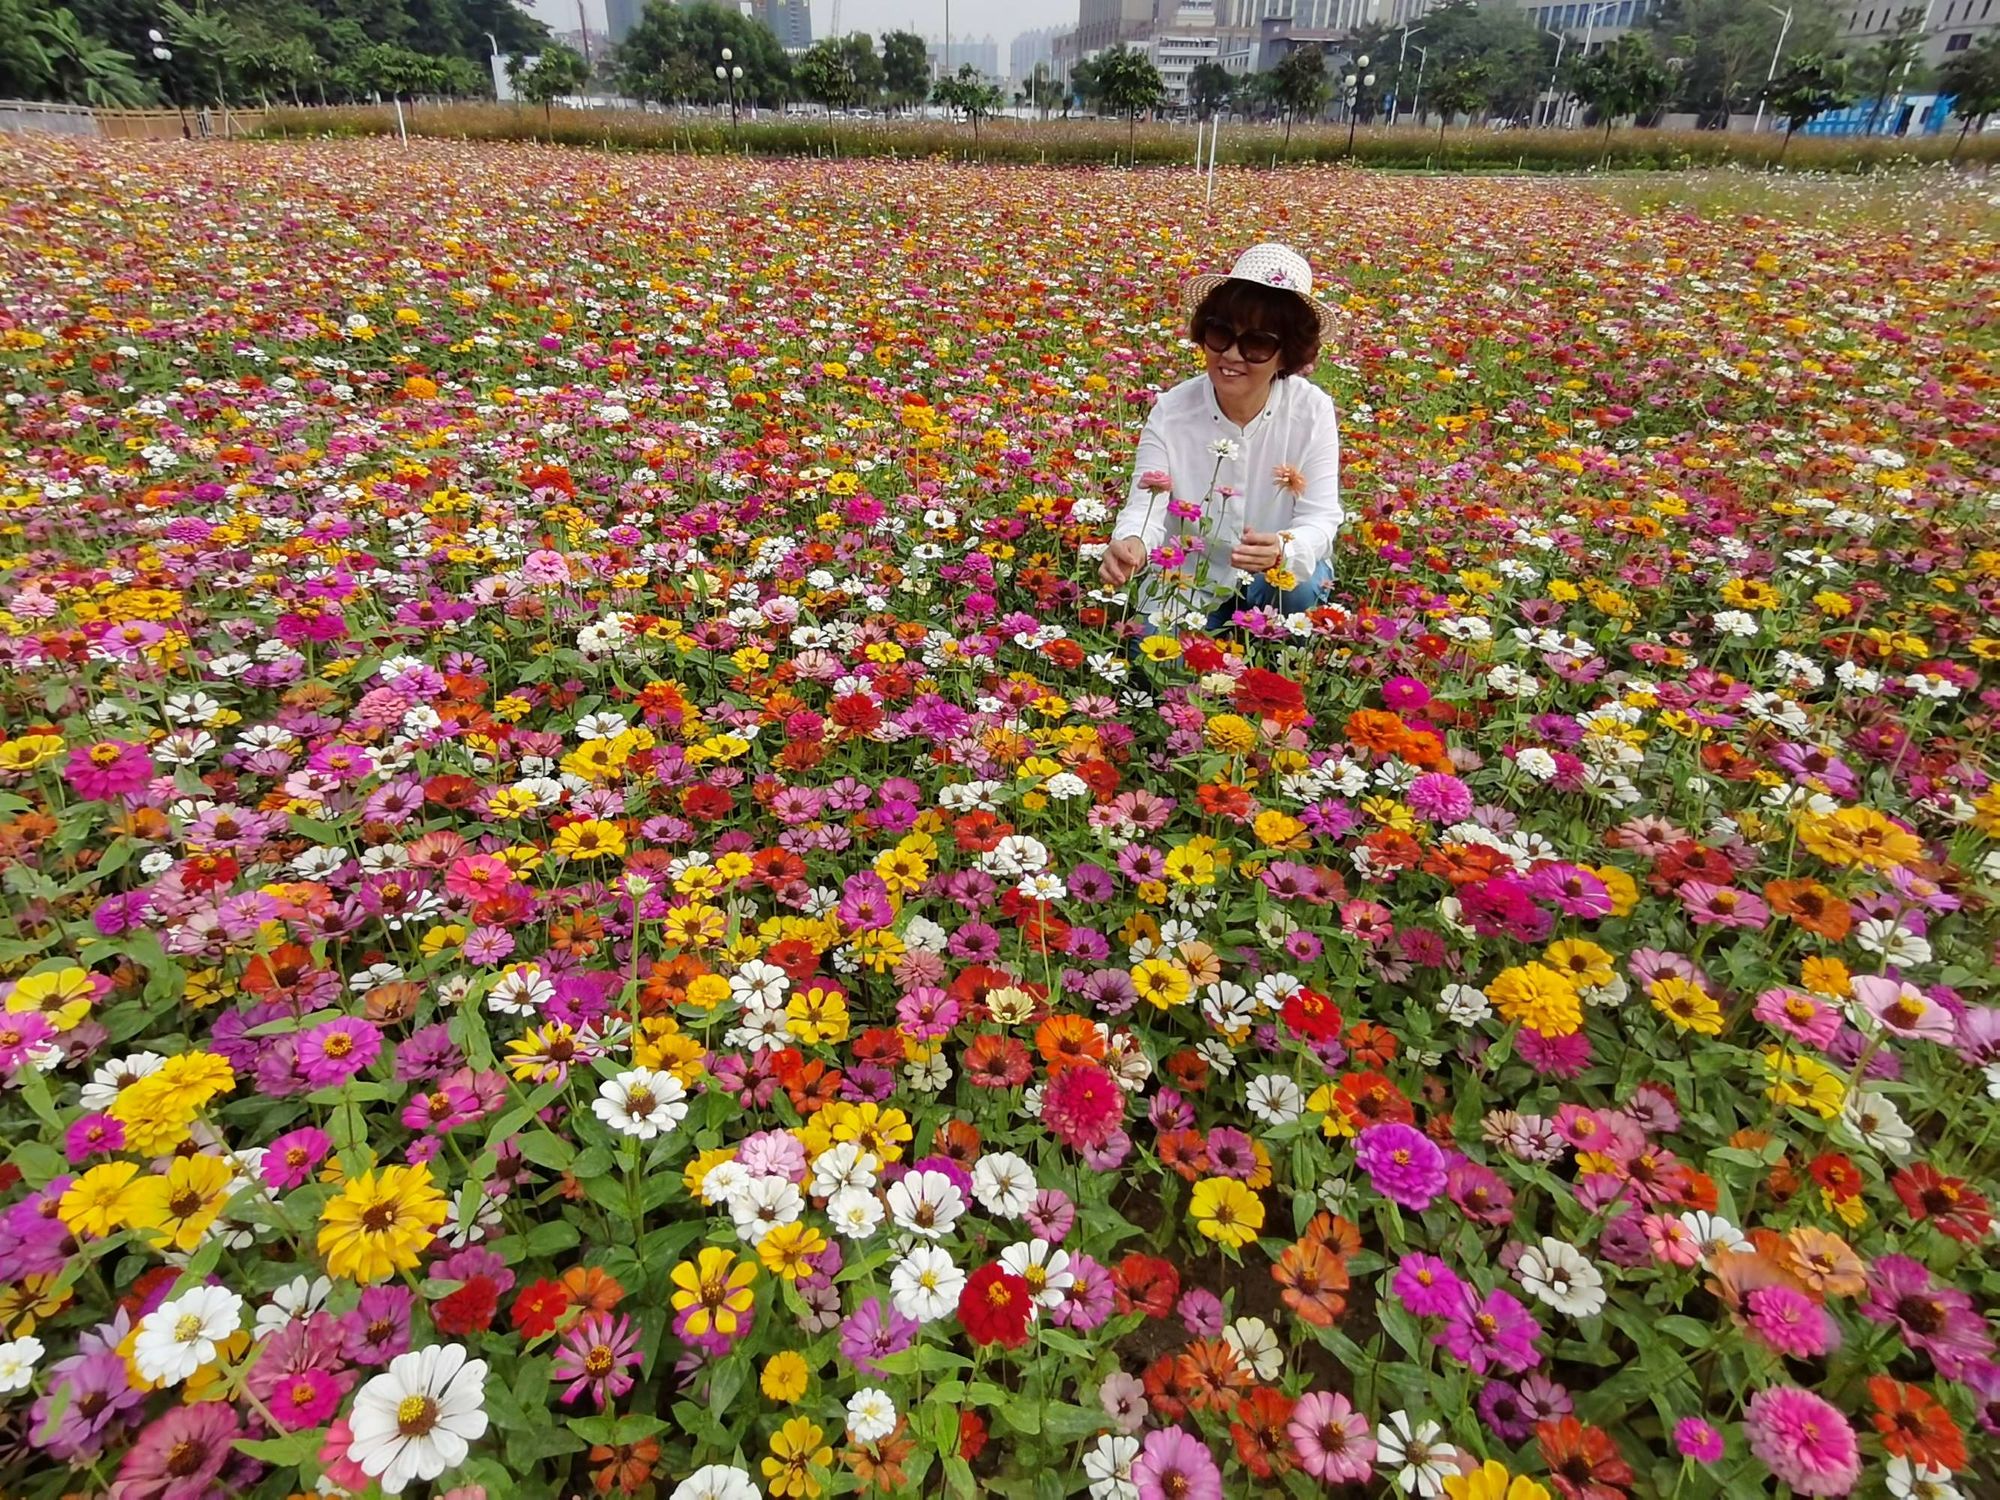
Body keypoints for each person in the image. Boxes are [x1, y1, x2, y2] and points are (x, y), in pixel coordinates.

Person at [1098, 242, 1344, 633]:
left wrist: (1284, 547)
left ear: (1288, 354)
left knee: (1296, 594)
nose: (1231, 354)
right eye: (1220, 334)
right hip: (1190, 578)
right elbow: (1146, 505)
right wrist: (1134, 544)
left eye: (1257, 343)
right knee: (1155, 654)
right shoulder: (1173, 411)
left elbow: (1320, 517)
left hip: (1274, 575)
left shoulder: (1311, 411)